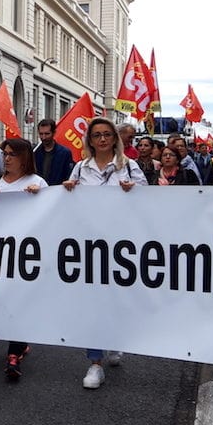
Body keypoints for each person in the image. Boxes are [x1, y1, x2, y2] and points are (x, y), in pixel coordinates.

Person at [62, 117, 147, 389]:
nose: (102, 139)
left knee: (117, 296)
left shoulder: (130, 167)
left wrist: (135, 192)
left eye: (107, 134)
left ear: (115, 138)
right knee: (92, 301)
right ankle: (95, 362)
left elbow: (150, 201)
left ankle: (115, 338)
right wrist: (68, 190)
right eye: (96, 135)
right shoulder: (80, 168)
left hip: (120, 245)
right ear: (90, 139)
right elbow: (69, 204)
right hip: (89, 245)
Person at [0, 137, 47, 380]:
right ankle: (19, 344)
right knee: (5, 301)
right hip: (0, 250)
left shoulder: (37, 182)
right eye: (4, 153)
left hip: (26, 252)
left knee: (19, 299)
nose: (6, 158)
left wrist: (39, 196)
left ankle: (13, 353)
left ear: (24, 157)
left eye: (11, 154)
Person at [33, 118, 75, 186]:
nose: (43, 137)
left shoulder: (65, 153)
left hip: (57, 192)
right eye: (41, 134)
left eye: (47, 134)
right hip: (38, 192)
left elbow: (69, 176)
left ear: (54, 133)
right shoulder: (35, 152)